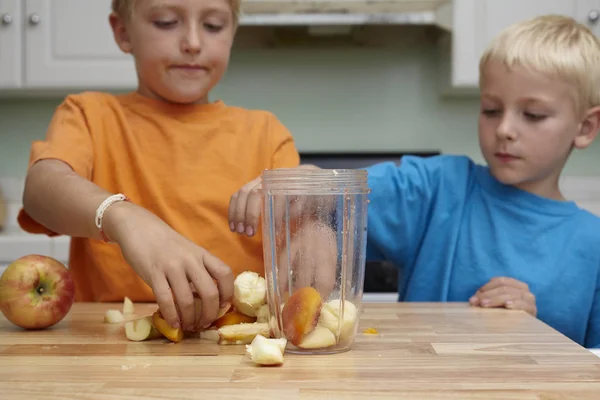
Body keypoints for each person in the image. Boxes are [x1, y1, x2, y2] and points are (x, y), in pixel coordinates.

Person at [228, 15, 600, 348]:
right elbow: (341, 196)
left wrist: (532, 329)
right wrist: (305, 187)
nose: (504, 129)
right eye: (490, 109)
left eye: (532, 115)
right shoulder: (437, 186)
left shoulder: (592, 246)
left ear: (584, 128)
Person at [17, 0, 301, 333]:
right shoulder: (89, 116)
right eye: (167, 22)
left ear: (232, 34)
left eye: (213, 26)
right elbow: (40, 187)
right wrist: (122, 216)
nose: (193, 42)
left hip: (234, 358)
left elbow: (307, 234)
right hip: (110, 352)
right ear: (124, 33)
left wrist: (312, 203)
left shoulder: (266, 134)